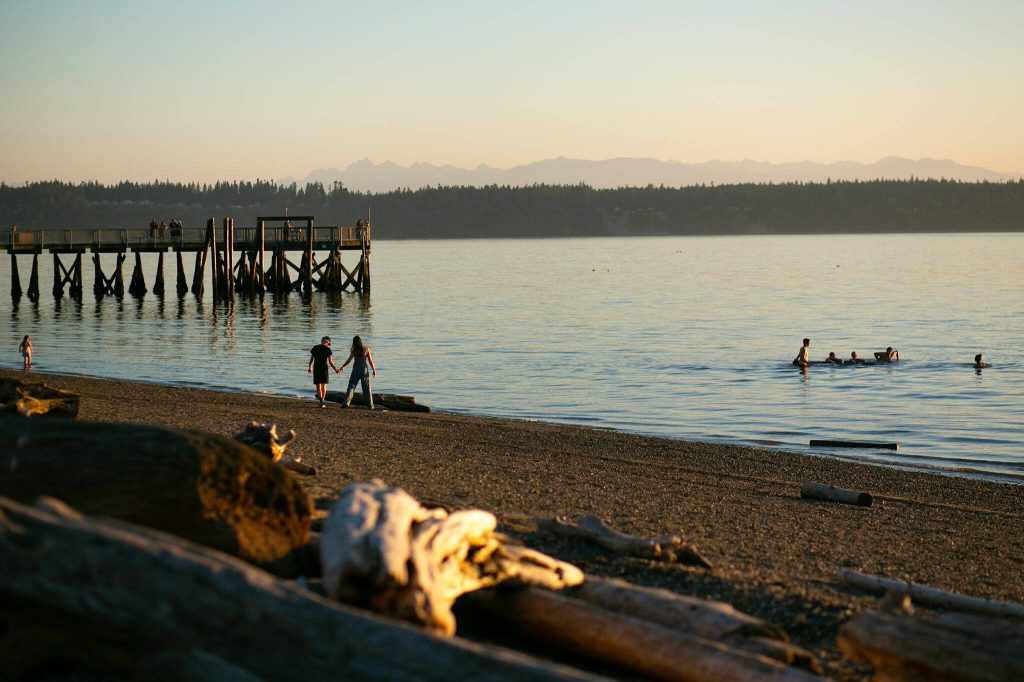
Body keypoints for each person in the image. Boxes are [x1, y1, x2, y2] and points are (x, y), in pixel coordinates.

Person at [337, 335, 377, 409]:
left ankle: (346, 403)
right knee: (366, 388)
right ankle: (370, 405)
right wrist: (374, 370)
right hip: (364, 369)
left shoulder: (354, 350)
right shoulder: (366, 349)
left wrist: (342, 367)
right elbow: (370, 361)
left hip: (356, 369)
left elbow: (349, 360)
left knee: (351, 386)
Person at [307, 336, 339, 407]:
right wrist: (310, 367)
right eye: (323, 339)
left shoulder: (322, 348)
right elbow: (312, 359)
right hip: (320, 368)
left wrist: (336, 369)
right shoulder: (321, 348)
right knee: (321, 385)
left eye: (325, 340)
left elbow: (330, 362)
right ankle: (321, 401)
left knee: (321, 385)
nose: (324, 340)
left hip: (320, 368)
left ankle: (322, 401)